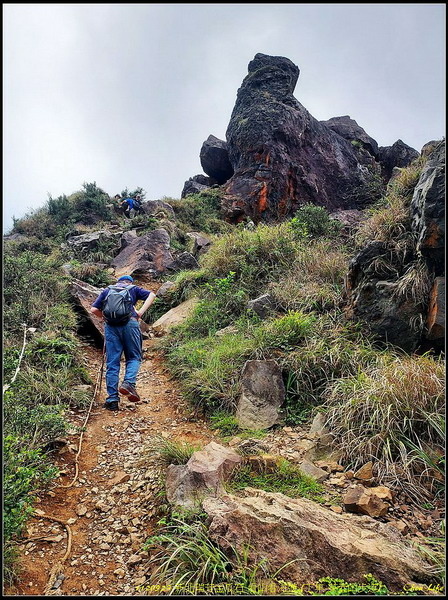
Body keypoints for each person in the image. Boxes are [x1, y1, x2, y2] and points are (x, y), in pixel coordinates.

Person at [90, 275, 156, 411]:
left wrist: (106, 318)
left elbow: (94, 310)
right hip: (130, 324)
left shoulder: (108, 290)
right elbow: (152, 295)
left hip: (111, 327)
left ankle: (112, 400)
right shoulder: (133, 289)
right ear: (129, 282)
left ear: (118, 282)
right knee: (133, 357)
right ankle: (128, 383)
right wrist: (140, 313)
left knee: (112, 362)